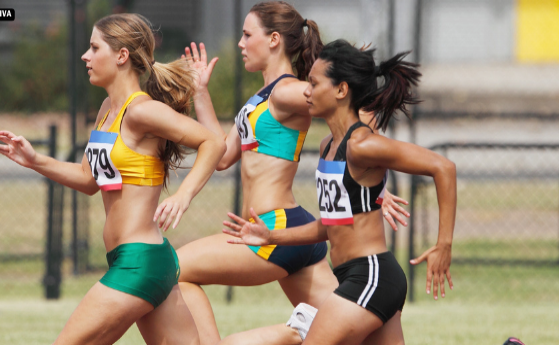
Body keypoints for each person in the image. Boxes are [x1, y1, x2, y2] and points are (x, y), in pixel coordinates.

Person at [175, 2, 410, 344]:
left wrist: (367, 182)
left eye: (246, 35)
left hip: (276, 226)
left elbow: (353, 111)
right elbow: (223, 156)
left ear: (273, 40)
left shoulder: (287, 92)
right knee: (361, 337)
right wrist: (200, 92)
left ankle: (294, 332)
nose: (240, 44)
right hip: (287, 229)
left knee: (173, 270)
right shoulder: (263, 96)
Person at [0, 13, 225, 345]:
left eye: (94, 47)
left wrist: (183, 196)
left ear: (121, 56)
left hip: (138, 262)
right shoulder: (106, 109)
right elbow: (88, 179)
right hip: (141, 260)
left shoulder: (141, 111)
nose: (86, 56)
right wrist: (34, 160)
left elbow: (213, 142)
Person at [223, 39, 457, 344]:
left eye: (314, 83)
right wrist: (271, 237)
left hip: (371, 276)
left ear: (341, 90)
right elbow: (332, 225)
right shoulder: (327, 147)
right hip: (355, 276)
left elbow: (444, 168)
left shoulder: (362, 145)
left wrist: (444, 245)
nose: (306, 90)